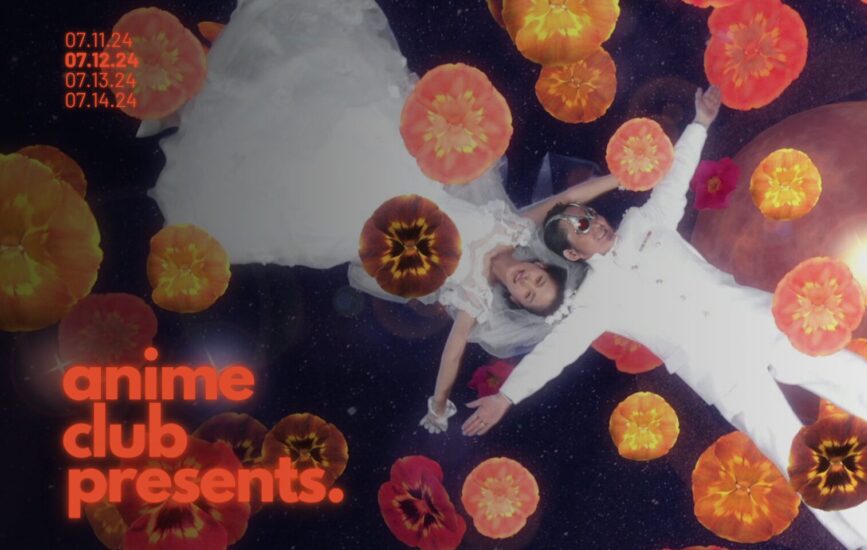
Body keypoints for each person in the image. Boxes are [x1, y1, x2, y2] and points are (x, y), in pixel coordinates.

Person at [464, 86, 867, 550]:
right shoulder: (592, 301)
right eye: (580, 227)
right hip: (720, 369)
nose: (592, 222)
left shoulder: (646, 222)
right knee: (790, 448)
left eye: (589, 214)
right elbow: (555, 353)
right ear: (571, 254)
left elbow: (674, 182)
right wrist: (507, 396)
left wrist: (698, 124)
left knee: (852, 376)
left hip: (761, 325)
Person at [146, 0, 615, 434]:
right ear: (540, 264)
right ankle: (228, 77)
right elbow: (568, 197)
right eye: (537, 279)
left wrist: (439, 404)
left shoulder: (476, 295)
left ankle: (194, 119)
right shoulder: (515, 227)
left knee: (295, 184)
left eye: (526, 294)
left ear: (514, 299)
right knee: (333, 111)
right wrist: (620, 177)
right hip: (404, 171)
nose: (525, 282)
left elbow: (453, 353)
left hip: (379, 219)